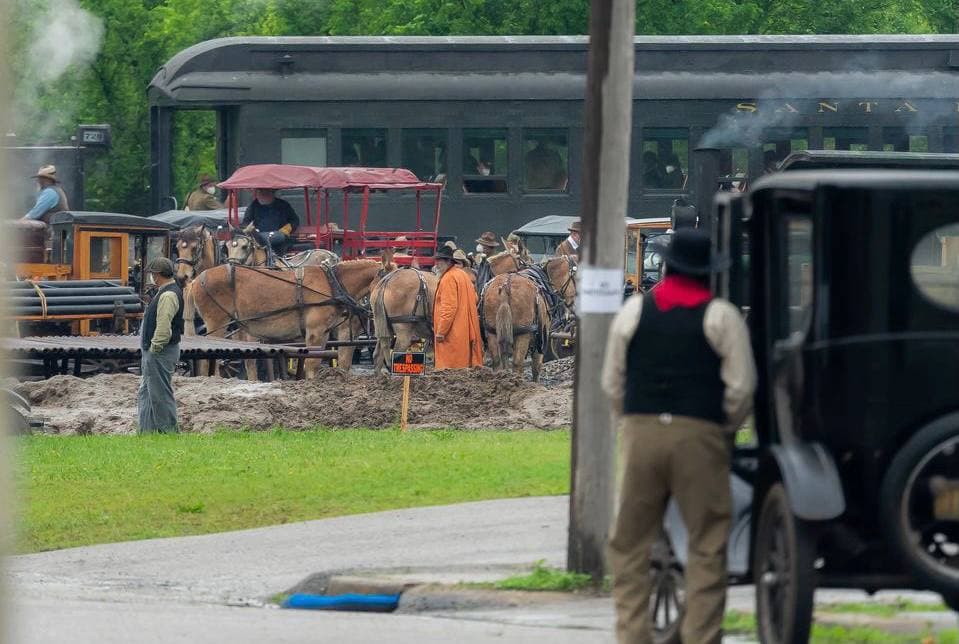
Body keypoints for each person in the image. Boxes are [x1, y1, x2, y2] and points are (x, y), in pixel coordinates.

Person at [601, 228, 756, 644]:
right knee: (707, 543)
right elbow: (741, 387)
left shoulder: (633, 312)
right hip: (700, 434)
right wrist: (720, 426)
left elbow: (613, 381)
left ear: (667, 268)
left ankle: (633, 635)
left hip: (640, 432)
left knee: (631, 543)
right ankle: (700, 637)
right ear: (707, 273)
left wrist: (630, 420)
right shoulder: (722, 317)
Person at [138, 257, 185, 434]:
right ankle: (146, 432)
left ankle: (169, 432)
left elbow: (164, 326)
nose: (151, 277)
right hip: (156, 352)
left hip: (160, 352)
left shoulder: (168, 295)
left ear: (157, 276)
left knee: (160, 395)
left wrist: (154, 349)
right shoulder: (165, 292)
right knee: (147, 394)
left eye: (152, 274)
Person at [433, 246, 483, 369]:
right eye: (437, 260)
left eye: (440, 261)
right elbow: (475, 298)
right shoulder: (463, 275)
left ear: (449, 262)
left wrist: (441, 332)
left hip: (452, 334)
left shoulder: (448, 278)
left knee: (449, 371)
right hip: (465, 331)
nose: (437, 264)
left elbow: (448, 309)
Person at [241, 188, 299, 253]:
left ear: (272, 192)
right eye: (260, 191)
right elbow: (245, 223)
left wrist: (286, 229)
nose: (263, 193)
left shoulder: (283, 205)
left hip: (280, 239)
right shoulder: (253, 206)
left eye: (266, 191)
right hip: (260, 241)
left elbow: (294, 220)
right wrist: (252, 230)